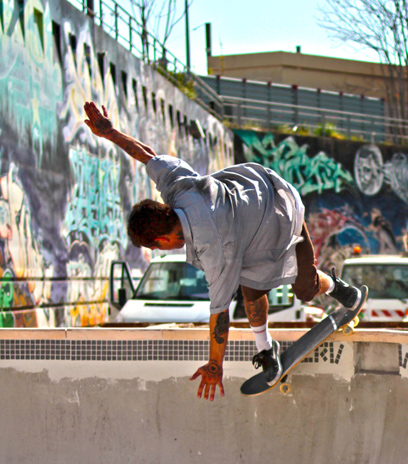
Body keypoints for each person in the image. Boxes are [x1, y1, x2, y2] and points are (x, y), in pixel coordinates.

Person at [83, 101, 361, 401]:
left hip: (284, 213)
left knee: (304, 289)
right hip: (259, 195)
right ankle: (268, 351)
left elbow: (220, 315)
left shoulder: (213, 246)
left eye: (158, 249)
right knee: (251, 288)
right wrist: (111, 133)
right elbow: (147, 155)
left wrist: (215, 365)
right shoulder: (176, 188)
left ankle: (340, 289)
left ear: (160, 241)